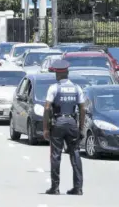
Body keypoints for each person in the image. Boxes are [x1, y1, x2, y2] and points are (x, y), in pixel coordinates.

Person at [43, 59, 85, 195]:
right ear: (67, 73)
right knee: (75, 154)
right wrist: (81, 128)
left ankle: (55, 187)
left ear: (58, 74)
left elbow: (47, 108)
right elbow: (82, 108)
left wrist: (45, 127)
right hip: (72, 123)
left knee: (55, 155)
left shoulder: (54, 88)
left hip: (58, 122)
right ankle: (78, 188)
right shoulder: (77, 88)